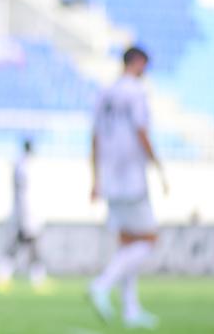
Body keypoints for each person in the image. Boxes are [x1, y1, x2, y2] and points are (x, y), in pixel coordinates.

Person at [89, 46, 167, 329]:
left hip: (110, 177)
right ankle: (101, 284)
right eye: (145, 65)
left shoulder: (104, 92)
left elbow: (95, 137)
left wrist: (95, 178)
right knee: (148, 240)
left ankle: (131, 310)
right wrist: (158, 166)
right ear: (136, 63)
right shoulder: (136, 92)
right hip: (131, 176)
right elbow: (141, 130)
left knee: (128, 243)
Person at [0, 138, 49, 293]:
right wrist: (26, 216)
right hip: (24, 214)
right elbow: (24, 193)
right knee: (27, 247)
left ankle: (6, 276)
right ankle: (7, 276)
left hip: (25, 213)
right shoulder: (24, 167)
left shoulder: (21, 165)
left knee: (25, 247)